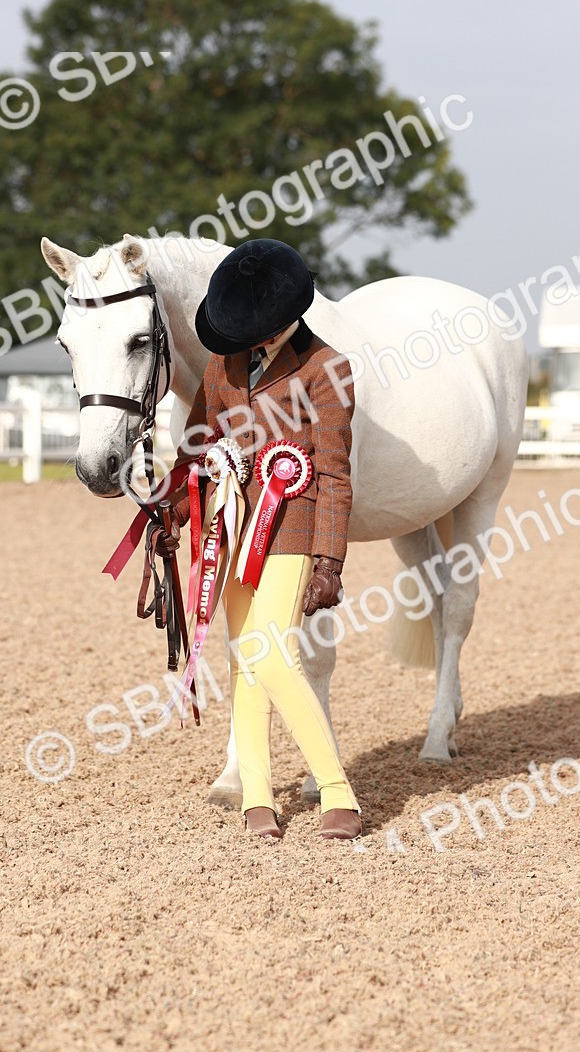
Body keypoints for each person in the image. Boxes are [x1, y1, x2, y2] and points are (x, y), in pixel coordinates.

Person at [160, 238, 362, 841]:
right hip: (229, 526)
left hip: (295, 524)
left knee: (273, 655)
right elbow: (196, 443)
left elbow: (334, 472)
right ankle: (257, 796)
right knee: (247, 660)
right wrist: (169, 507)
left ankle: (337, 790)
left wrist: (329, 562)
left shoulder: (328, 369)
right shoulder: (223, 367)